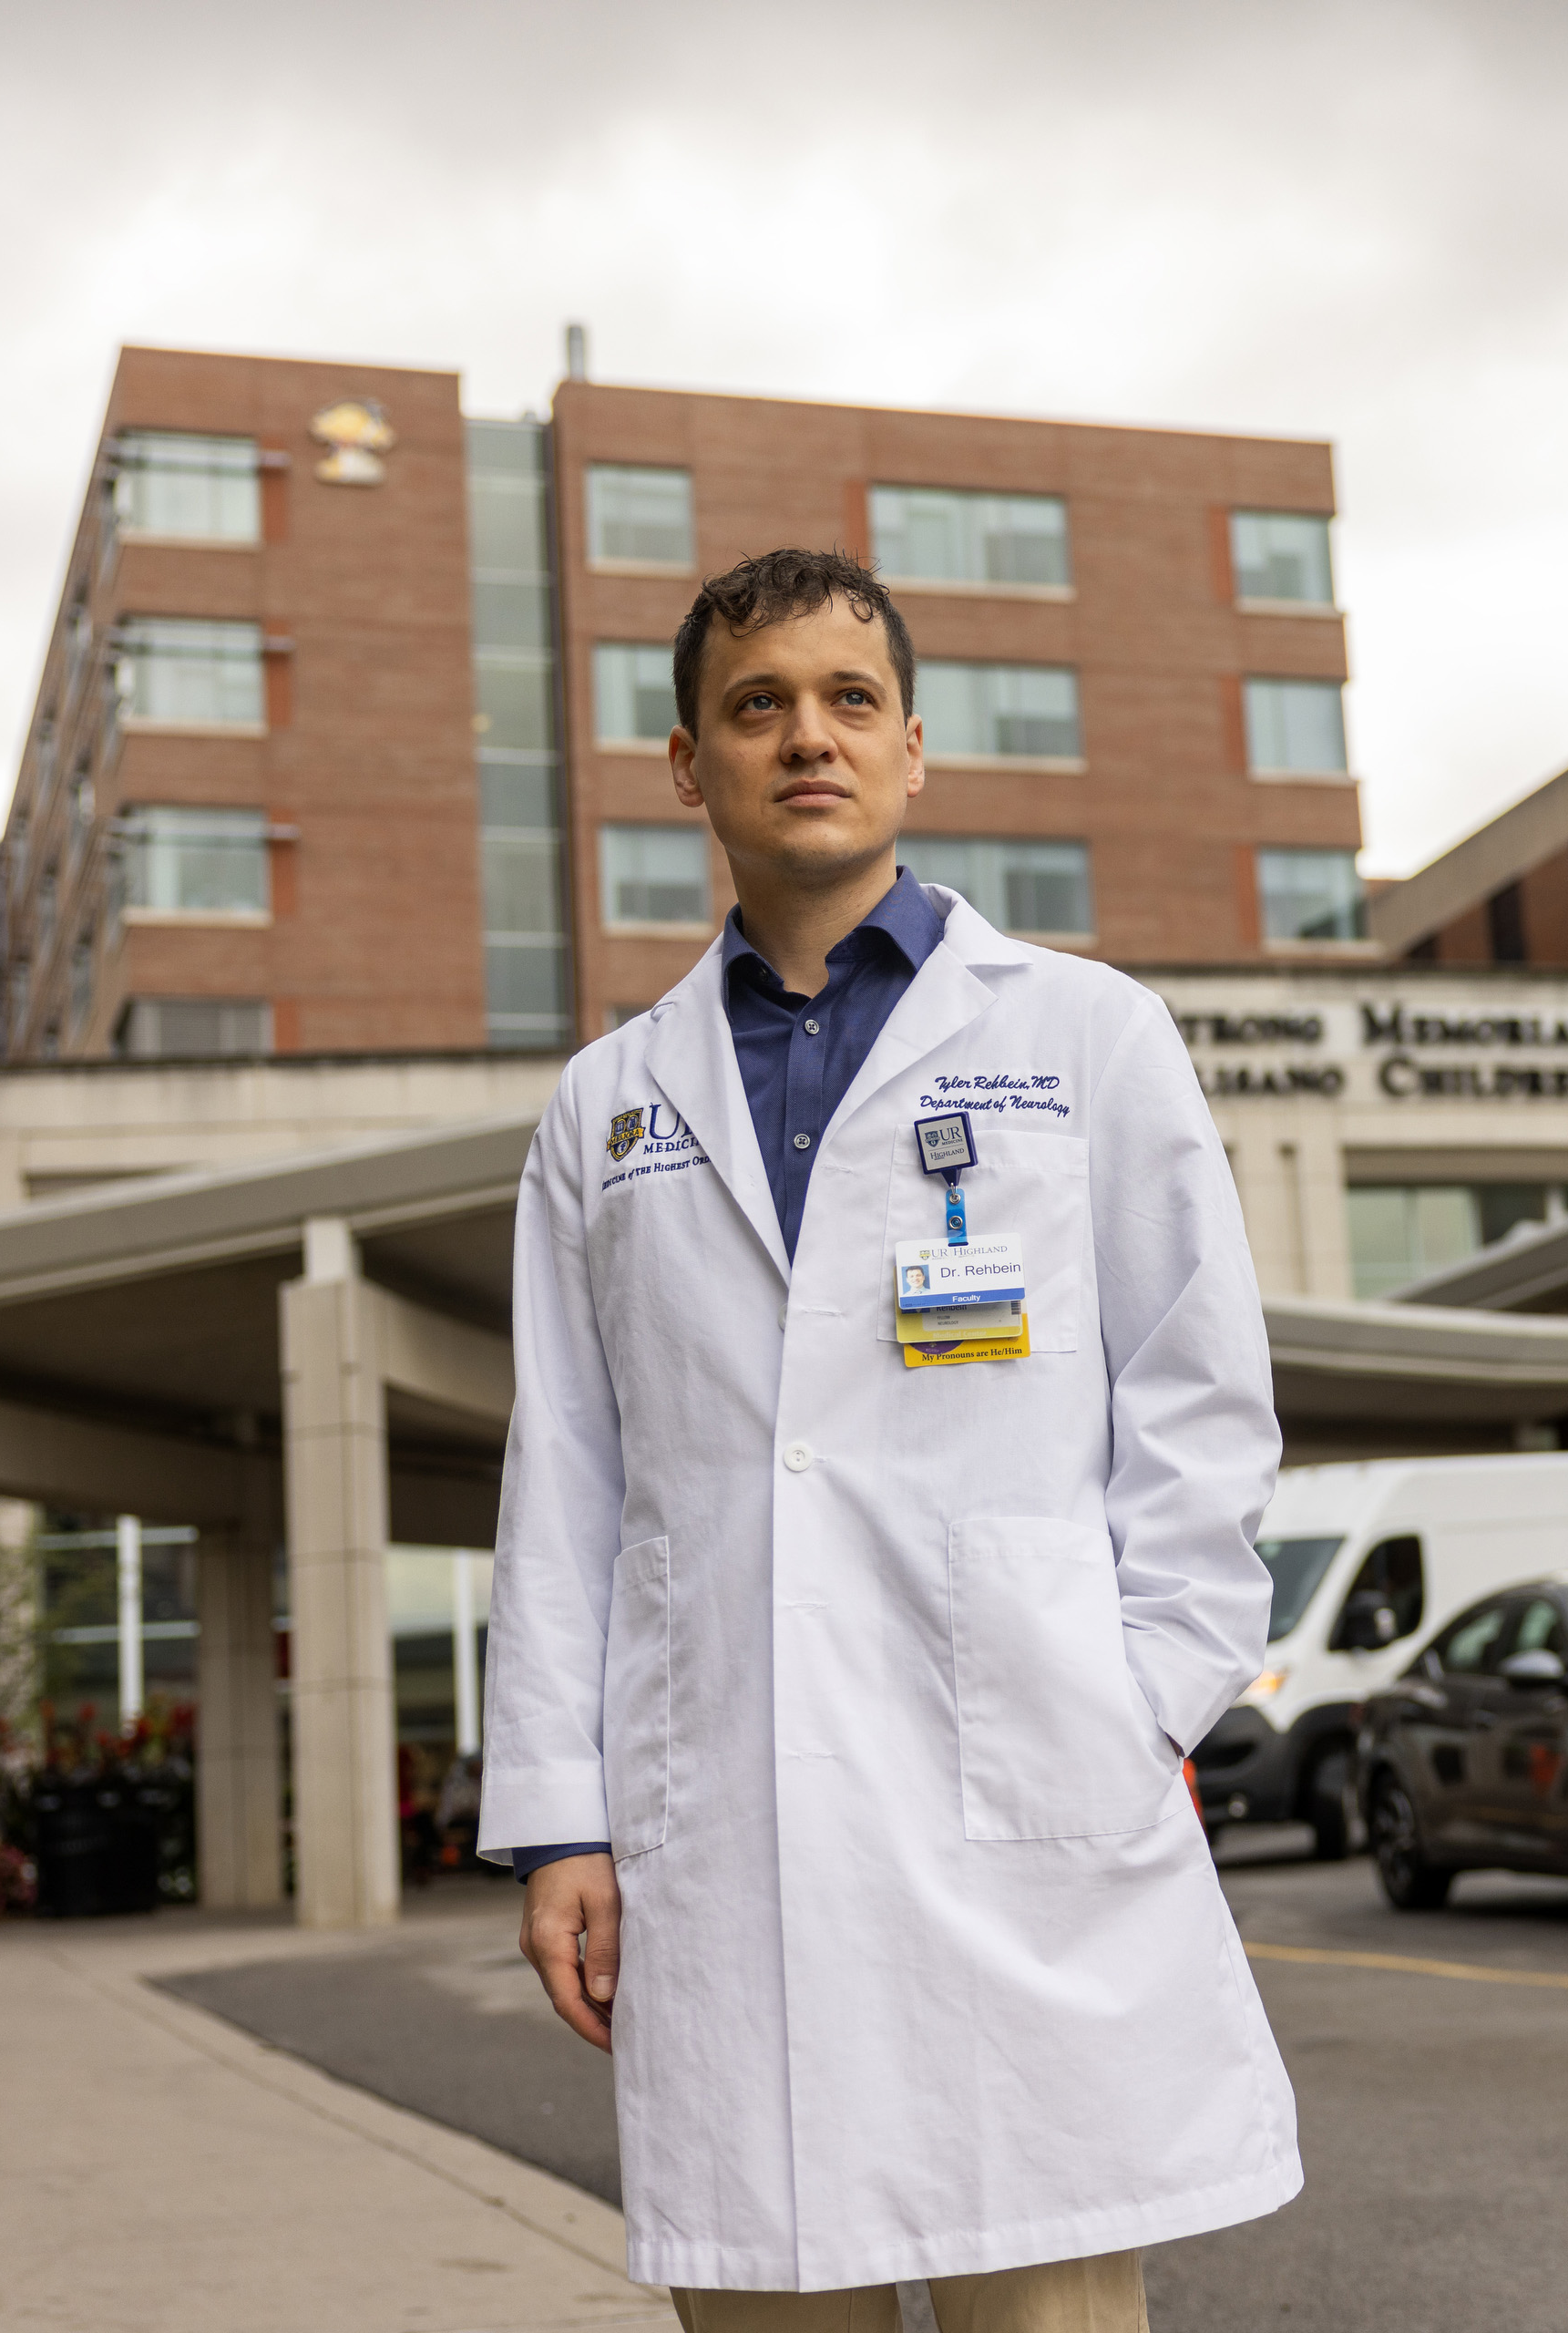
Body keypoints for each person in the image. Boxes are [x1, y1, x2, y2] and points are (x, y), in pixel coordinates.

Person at [482, 549, 1296, 2330]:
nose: (808, 737)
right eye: (756, 704)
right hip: (732, 1820)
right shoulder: (607, 1106)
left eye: (849, 701)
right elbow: (568, 1479)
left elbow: (1198, 1398)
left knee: (1048, 2289)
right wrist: (559, 1822)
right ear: (688, 766)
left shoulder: (1082, 1033)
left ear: (914, 749)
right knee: (773, 2283)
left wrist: (1136, 1690)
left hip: (1025, 1781)